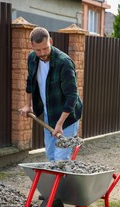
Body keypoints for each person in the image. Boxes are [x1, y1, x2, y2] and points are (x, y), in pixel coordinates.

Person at [19, 27, 82, 161]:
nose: (42, 53)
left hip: (67, 117)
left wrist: (59, 124)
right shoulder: (32, 58)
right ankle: (56, 182)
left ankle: (63, 181)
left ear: (51, 42)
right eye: (38, 50)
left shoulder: (64, 63)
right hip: (50, 113)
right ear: (32, 46)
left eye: (45, 48)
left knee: (61, 159)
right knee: (51, 156)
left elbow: (72, 96)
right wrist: (27, 105)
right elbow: (30, 82)